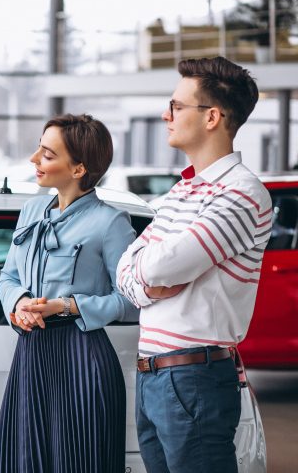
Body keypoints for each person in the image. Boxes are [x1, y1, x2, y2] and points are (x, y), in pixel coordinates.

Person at [116, 56, 271, 473]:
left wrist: (145, 277)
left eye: (177, 106)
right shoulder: (182, 191)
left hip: (194, 377)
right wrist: (145, 282)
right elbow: (126, 268)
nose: (166, 115)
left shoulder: (243, 193)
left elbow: (159, 266)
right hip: (154, 375)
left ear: (212, 117)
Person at [0, 114, 138, 473]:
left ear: (78, 169)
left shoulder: (111, 223)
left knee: (79, 460)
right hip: (31, 355)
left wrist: (68, 306)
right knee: (26, 460)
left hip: (81, 358)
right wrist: (19, 303)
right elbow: (7, 276)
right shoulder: (30, 211)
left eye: (47, 154)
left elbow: (132, 300)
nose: (34, 160)